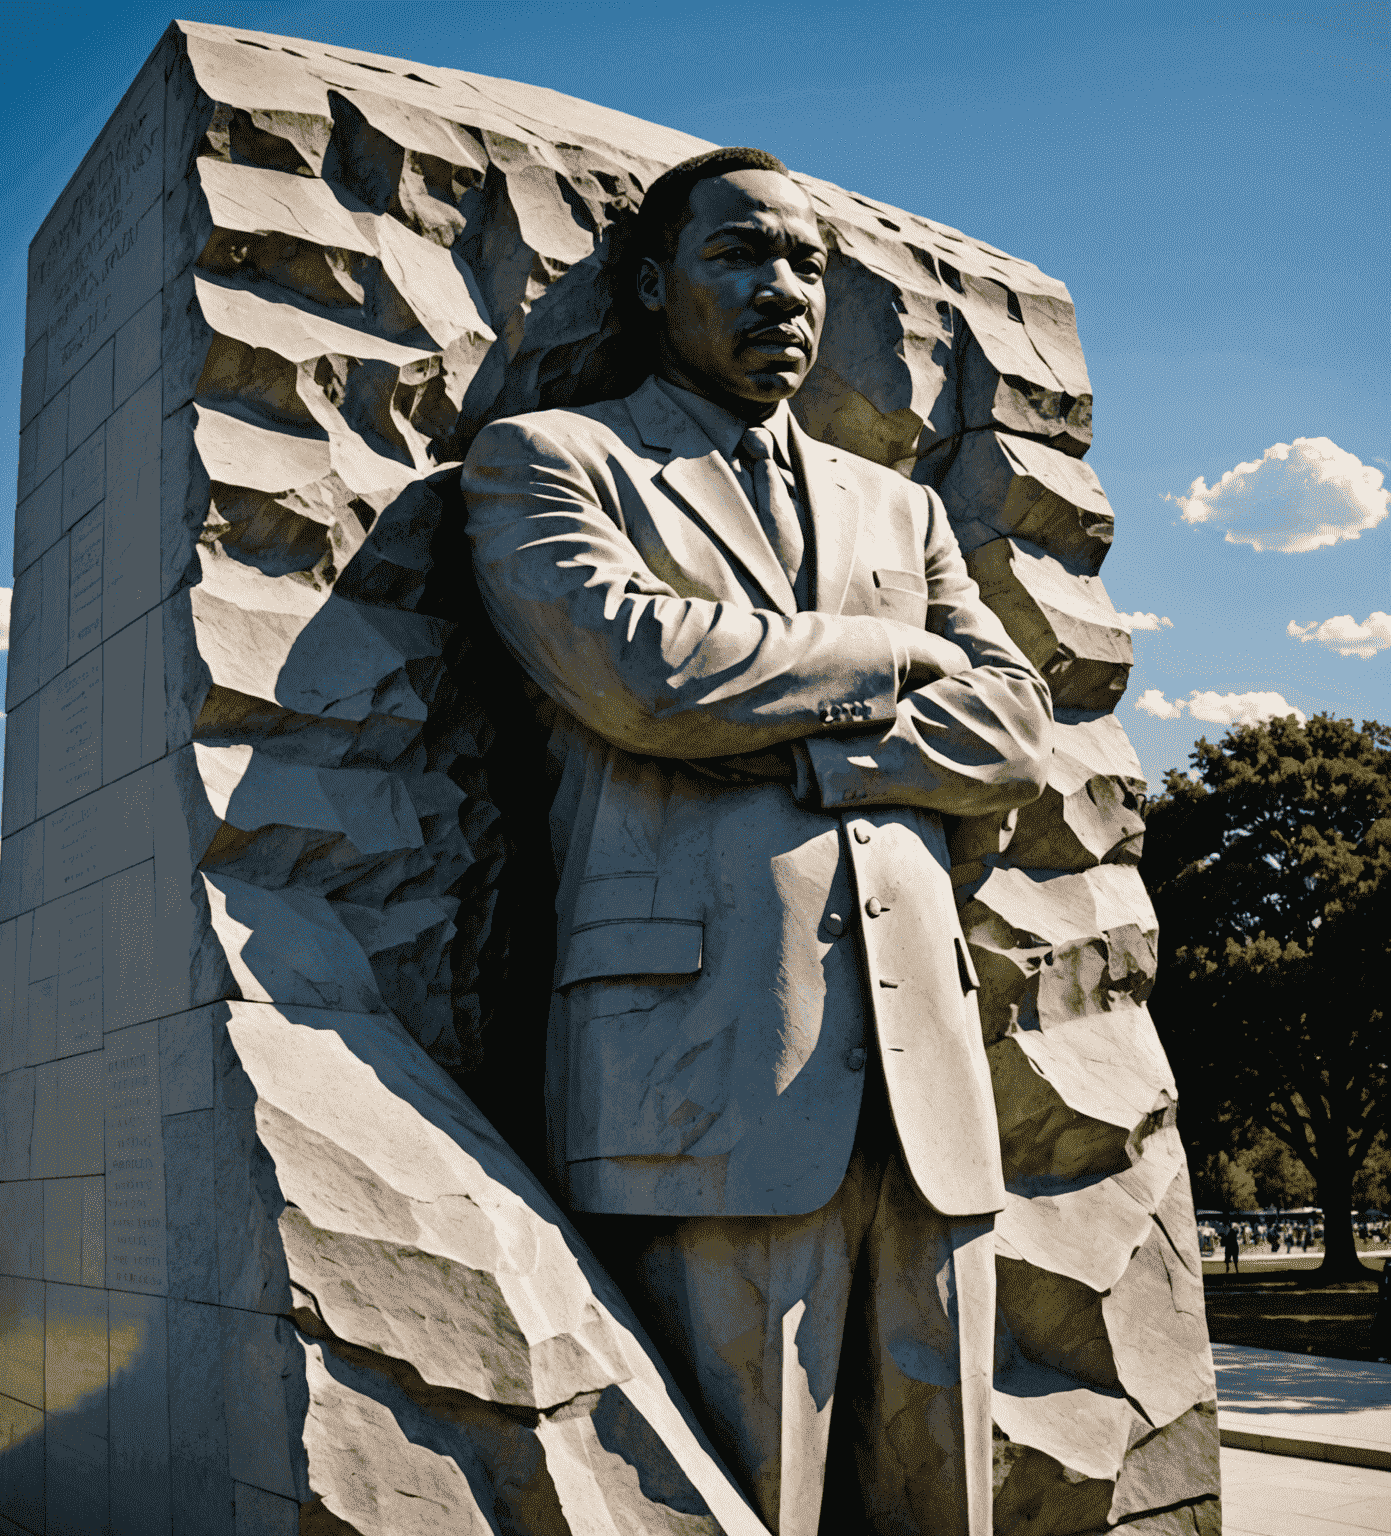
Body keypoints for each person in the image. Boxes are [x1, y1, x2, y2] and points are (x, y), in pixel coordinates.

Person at [463, 147, 1052, 1536]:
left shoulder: (898, 508)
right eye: (739, 255)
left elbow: (1019, 726)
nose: (782, 287)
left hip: (929, 1093)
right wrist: (897, 655)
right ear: (656, 284)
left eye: (804, 262)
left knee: (941, 1496)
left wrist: (808, 744)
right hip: (703, 1069)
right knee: (739, 1496)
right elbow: (639, 673)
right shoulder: (556, 460)